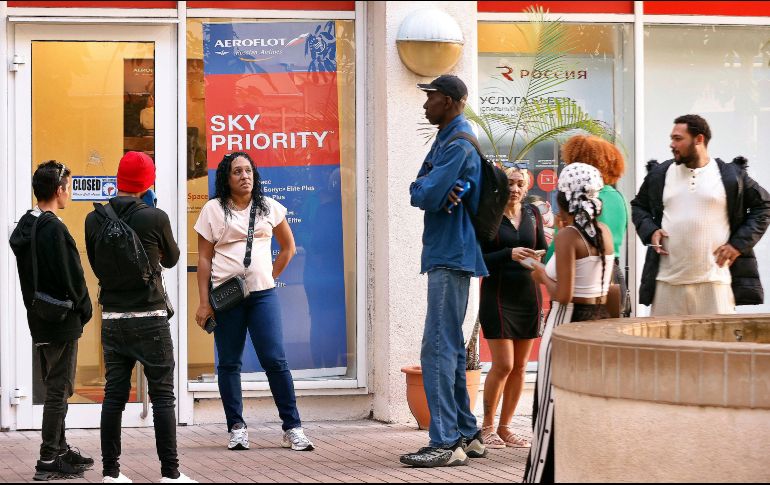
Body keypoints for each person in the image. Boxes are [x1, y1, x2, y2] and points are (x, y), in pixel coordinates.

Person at [85, 151, 195, 483]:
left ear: (118, 178)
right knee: (162, 396)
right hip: (150, 318)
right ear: (148, 183)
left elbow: (96, 264)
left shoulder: (94, 219)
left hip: (113, 318)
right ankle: (170, 474)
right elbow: (172, 258)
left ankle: (111, 473)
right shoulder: (155, 217)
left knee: (113, 396)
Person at [193, 151, 314, 452]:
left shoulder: (268, 207)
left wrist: (268, 276)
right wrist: (204, 303)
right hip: (227, 297)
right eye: (237, 172)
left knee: (275, 360)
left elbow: (288, 248)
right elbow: (204, 259)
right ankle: (236, 428)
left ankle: (293, 428)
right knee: (229, 363)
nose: (244, 176)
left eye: (248, 171)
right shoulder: (213, 210)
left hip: (262, 296)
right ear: (227, 178)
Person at [399, 74, 488, 468]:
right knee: (448, 346)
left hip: (451, 254)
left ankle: (445, 442)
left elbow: (426, 193)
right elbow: (424, 189)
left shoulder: (457, 144)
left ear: (449, 101)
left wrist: (425, 187)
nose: (425, 105)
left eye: (431, 97)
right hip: (450, 252)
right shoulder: (449, 139)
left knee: (436, 347)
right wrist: (425, 187)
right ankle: (467, 434)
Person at [524, 163, 614, 483]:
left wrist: (539, 272)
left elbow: (562, 294)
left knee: (550, 410)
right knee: (584, 410)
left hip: (564, 326)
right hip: (595, 326)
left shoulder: (567, 237)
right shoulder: (604, 233)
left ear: (563, 199)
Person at [631, 114, 770, 315]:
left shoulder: (731, 175)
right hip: (666, 284)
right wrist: (650, 231)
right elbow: (638, 206)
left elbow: (764, 206)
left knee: (719, 337)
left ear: (699, 139)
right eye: (672, 138)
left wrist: (738, 244)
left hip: (715, 282)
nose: (672, 144)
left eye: (678, 139)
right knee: (663, 337)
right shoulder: (659, 174)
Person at [10, 161, 94, 480]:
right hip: (62, 318)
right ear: (58, 190)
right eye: (68, 187)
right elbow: (71, 276)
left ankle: (60, 448)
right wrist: (84, 308)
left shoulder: (28, 224)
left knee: (55, 383)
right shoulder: (54, 228)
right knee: (59, 388)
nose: (69, 192)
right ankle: (48, 457)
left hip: (41, 315)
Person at [478, 166, 546, 449]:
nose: (515, 189)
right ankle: (487, 427)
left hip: (528, 295)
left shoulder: (533, 214)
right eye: (509, 183)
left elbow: (541, 250)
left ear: (527, 188)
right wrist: (509, 253)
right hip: (497, 294)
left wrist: (535, 257)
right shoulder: (489, 214)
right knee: (503, 364)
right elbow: (478, 257)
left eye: (520, 184)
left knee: (520, 367)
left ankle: (506, 427)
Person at [560, 135, 629, 316]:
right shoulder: (617, 197)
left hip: (588, 282)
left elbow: (572, 241)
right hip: (613, 276)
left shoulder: (587, 200)